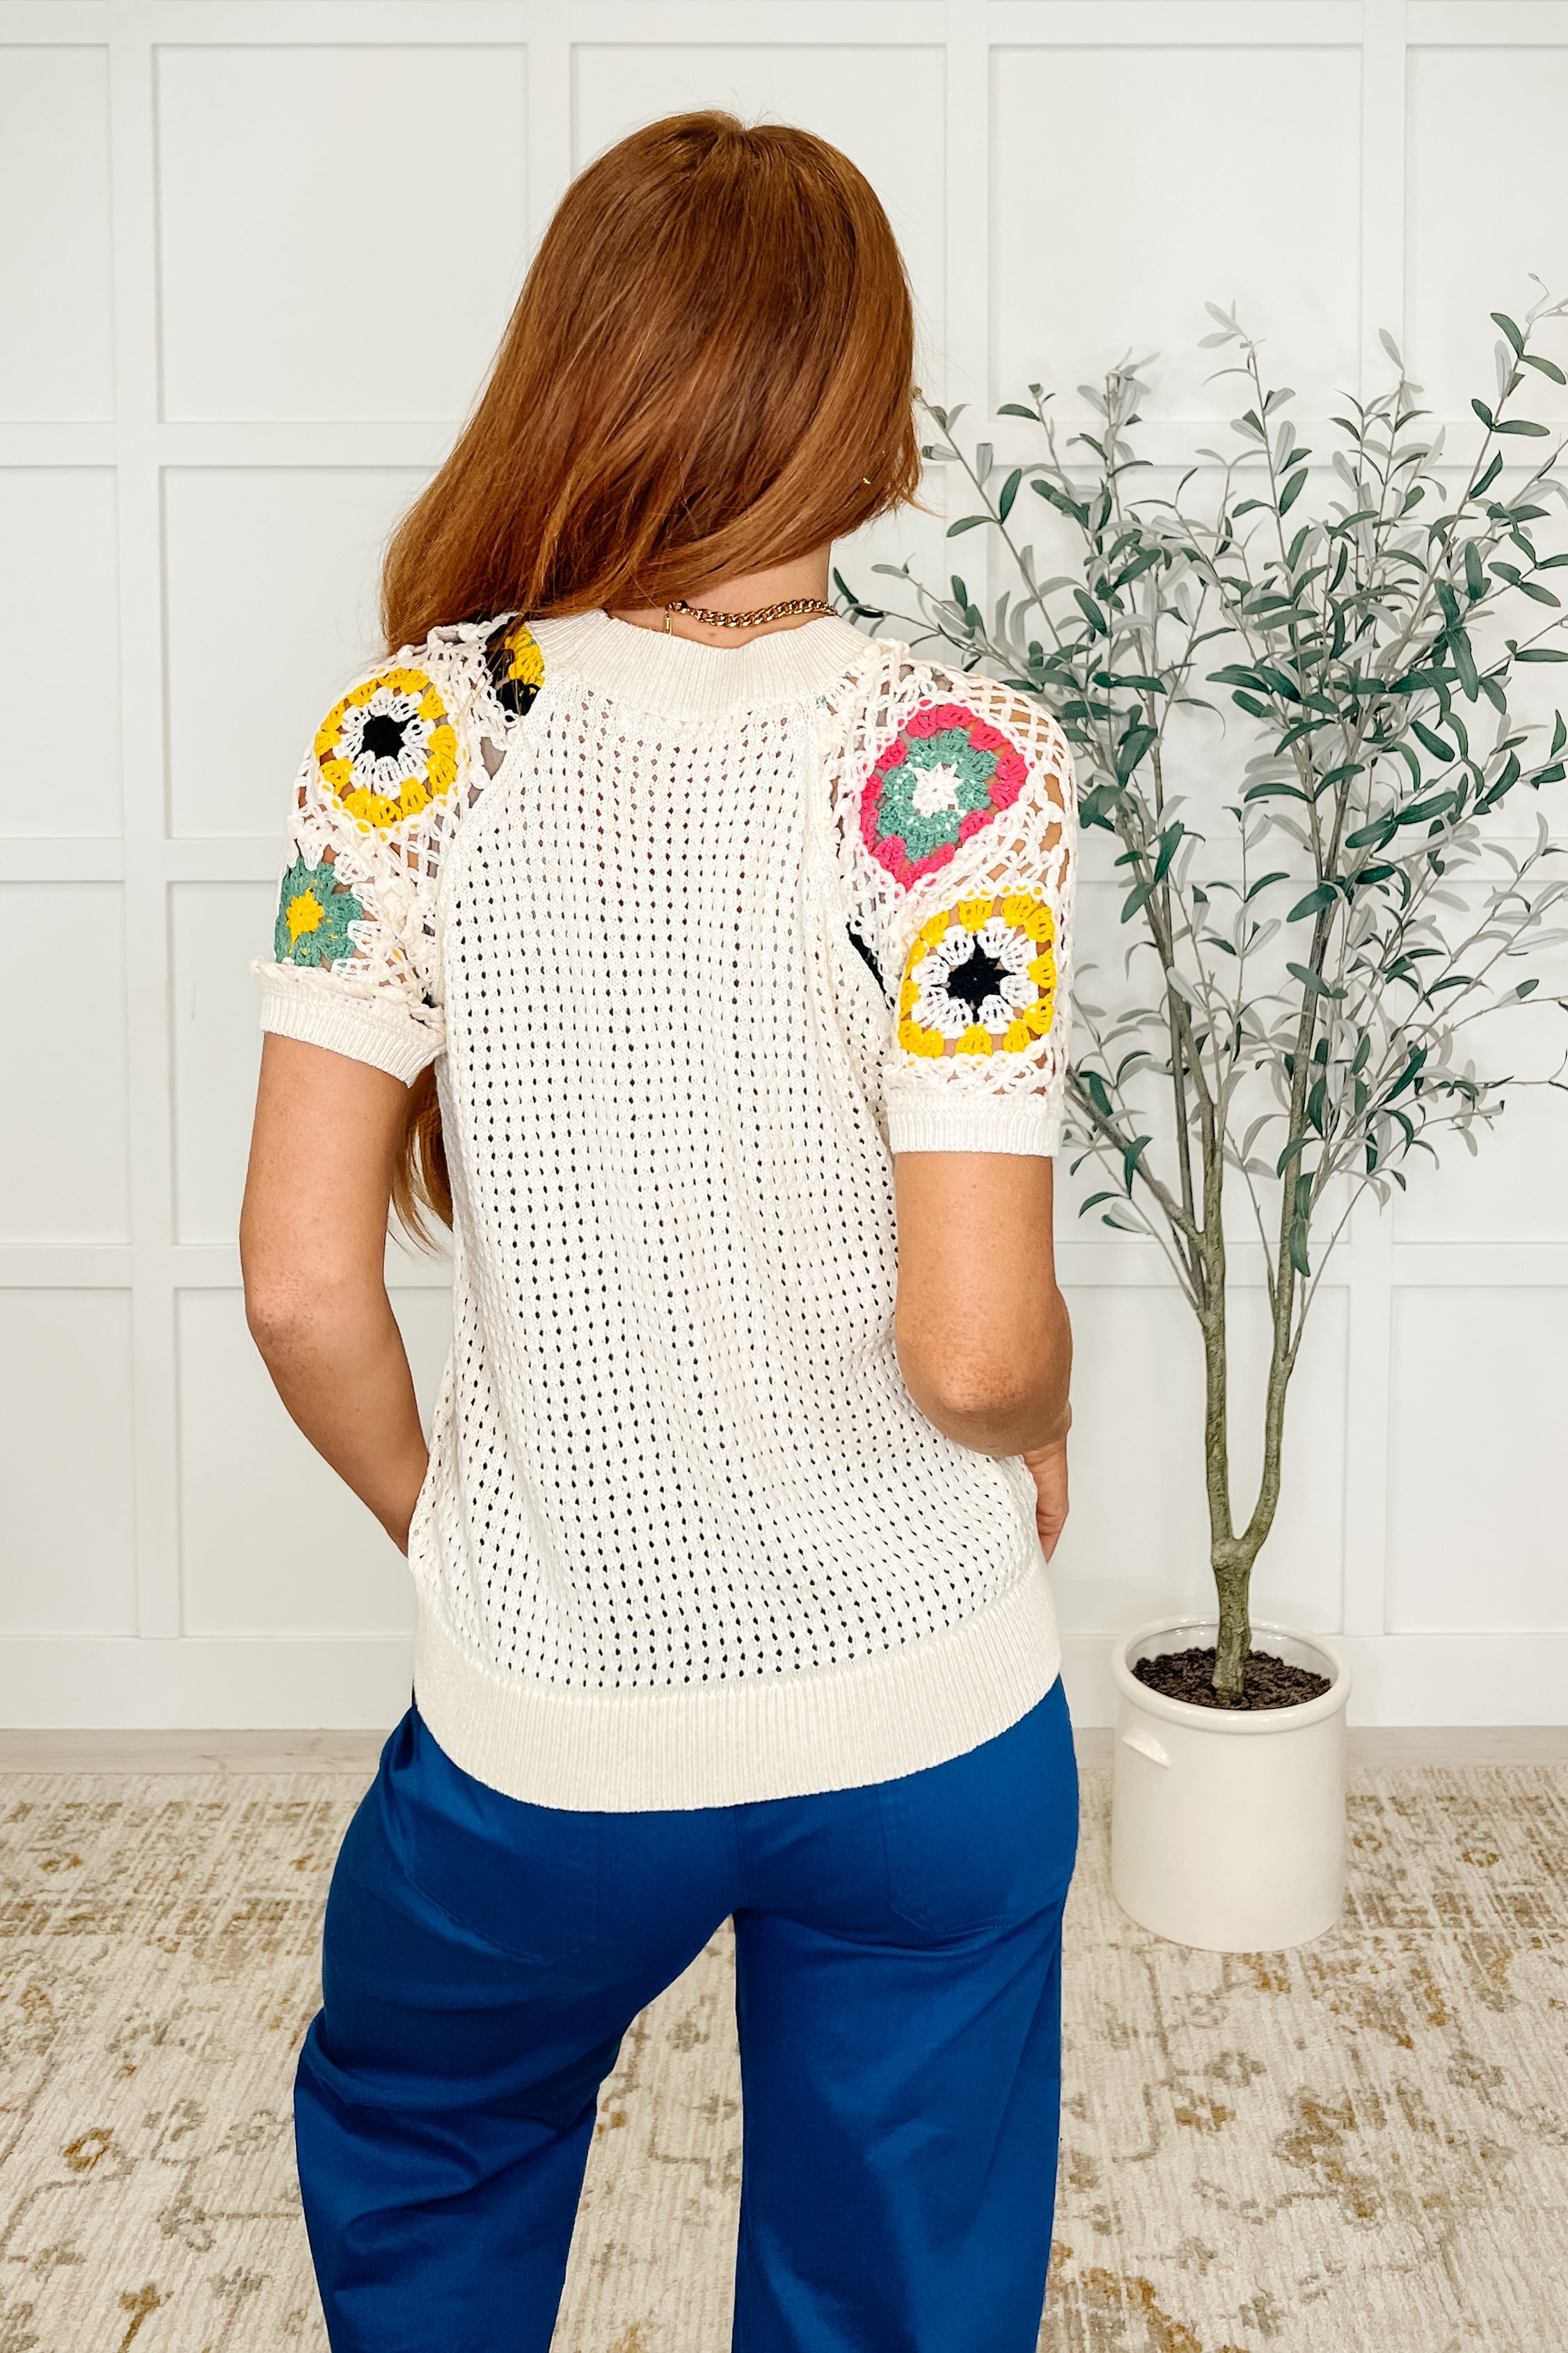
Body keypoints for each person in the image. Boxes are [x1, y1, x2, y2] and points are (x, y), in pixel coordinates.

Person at [240, 109, 1077, 2353]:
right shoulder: (959, 763)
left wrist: (466, 1533)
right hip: (924, 1713)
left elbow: (302, 1284)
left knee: (426, 2132)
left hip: (551, 1727)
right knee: (898, 2291)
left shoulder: (410, 744)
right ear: (867, 404)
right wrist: (1046, 1419)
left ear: (578, 368)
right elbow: (979, 1354)